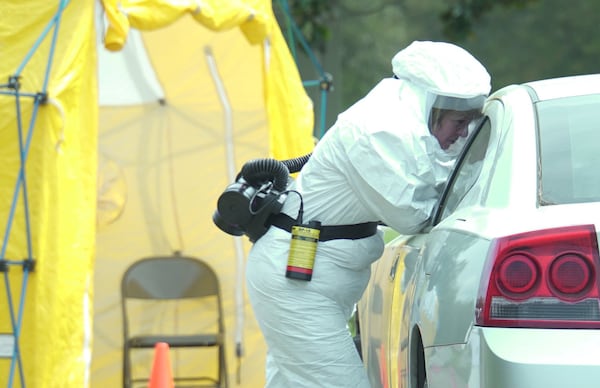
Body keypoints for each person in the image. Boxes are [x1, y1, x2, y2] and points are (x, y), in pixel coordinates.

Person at [246, 40, 491, 387]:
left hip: (306, 282)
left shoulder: (396, 127)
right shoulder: (377, 132)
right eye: (458, 121)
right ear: (430, 107)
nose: (463, 132)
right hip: (296, 286)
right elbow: (413, 214)